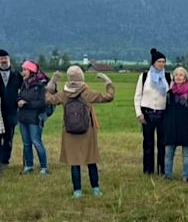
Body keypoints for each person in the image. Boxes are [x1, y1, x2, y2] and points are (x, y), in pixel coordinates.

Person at [45, 65, 115, 198]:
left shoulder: (64, 94)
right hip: (87, 130)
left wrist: (52, 82)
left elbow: (48, 98)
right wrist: (108, 82)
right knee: (91, 160)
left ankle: (77, 191)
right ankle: (95, 189)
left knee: (74, 162)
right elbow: (109, 97)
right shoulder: (87, 94)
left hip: (69, 131)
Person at [134, 47, 170, 174]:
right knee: (148, 143)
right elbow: (137, 96)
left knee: (162, 143)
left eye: (163, 62)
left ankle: (162, 169)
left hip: (163, 114)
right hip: (147, 114)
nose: (161, 64)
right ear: (153, 62)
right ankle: (148, 169)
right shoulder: (144, 77)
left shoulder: (168, 77)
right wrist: (139, 113)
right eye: (159, 61)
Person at [162, 66, 188, 182]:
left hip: (187, 127)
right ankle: (167, 175)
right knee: (168, 153)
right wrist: (165, 126)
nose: (178, 77)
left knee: (187, 154)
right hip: (171, 127)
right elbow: (166, 111)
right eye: (176, 75)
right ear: (173, 77)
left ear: (185, 78)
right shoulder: (169, 94)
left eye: (181, 75)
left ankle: (187, 176)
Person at [16, 60, 49, 175]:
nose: (23, 72)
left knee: (36, 142)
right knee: (26, 143)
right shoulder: (24, 84)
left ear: (31, 71)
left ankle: (44, 167)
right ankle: (29, 165)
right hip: (23, 117)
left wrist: (27, 104)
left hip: (35, 118)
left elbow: (42, 103)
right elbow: (19, 96)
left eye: (25, 69)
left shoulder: (41, 85)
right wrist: (19, 100)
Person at [0, 49, 22, 166]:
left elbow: (22, 90)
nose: (3, 61)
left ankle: (5, 160)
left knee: (8, 137)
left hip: (11, 111)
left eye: (5, 58)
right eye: (1, 59)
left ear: (9, 59)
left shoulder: (16, 75)